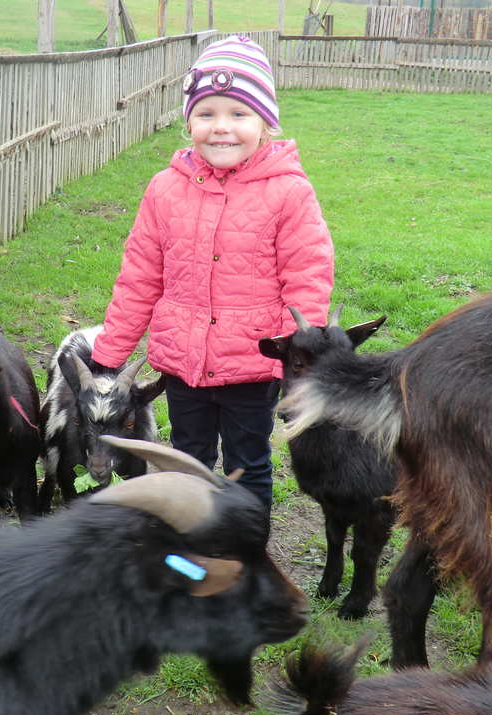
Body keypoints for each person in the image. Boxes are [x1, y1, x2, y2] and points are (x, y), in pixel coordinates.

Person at [92, 35, 334, 513]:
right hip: (183, 363)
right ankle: (189, 546)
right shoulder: (164, 190)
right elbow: (139, 275)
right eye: (206, 114)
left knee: (249, 461)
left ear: (265, 122)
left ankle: (246, 556)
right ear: (189, 123)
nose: (221, 128)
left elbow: (307, 277)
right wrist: (110, 353)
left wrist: (297, 357)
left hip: (253, 365)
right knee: (186, 459)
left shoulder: (289, 193)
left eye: (238, 114)